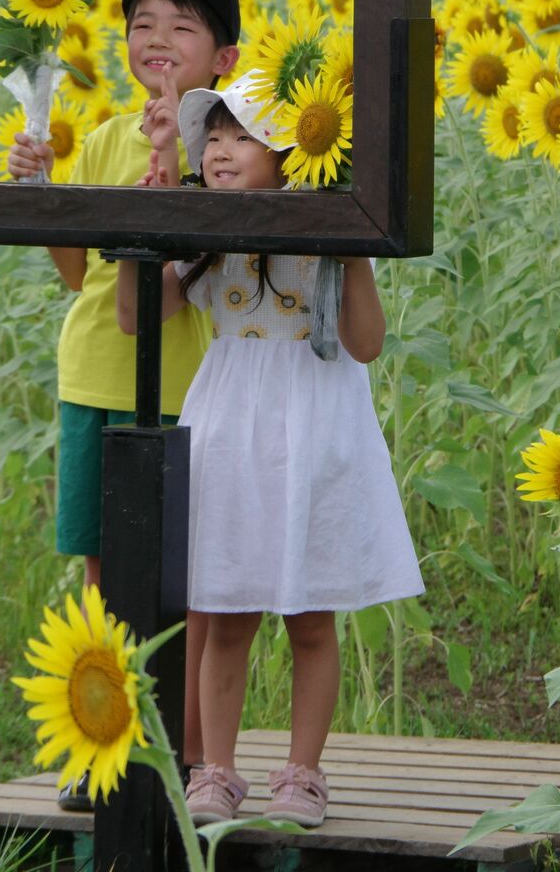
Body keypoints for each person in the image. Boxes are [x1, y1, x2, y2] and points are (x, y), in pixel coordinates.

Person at [117, 71, 424, 829]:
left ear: (292, 154)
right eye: (211, 138)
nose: (220, 151)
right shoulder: (203, 238)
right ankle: (216, 769)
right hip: (230, 425)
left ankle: (303, 772)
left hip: (314, 427)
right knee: (225, 612)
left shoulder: (328, 235)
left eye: (242, 136)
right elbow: (134, 317)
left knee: (311, 616)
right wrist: (147, 213)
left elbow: (366, 343)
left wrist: (353, 245)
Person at [7, 0, 240, 803]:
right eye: (142, 24)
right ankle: (108, 751)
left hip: (191, 391)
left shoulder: (227, 154)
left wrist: (174, 163)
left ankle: (179, 758)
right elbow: (79, 276)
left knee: (186, 581)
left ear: (223, 59)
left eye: (181, 27)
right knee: (105, 577)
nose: (157, 38)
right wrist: (41, 195)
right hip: (94, 380)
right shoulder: (104, 139)